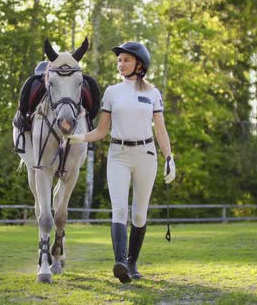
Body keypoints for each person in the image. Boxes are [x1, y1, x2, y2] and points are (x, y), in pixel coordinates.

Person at [67, 41, 176, 283]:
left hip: (146, 155)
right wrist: (77, 138)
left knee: (139, 214)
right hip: (118, 154)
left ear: (140, 64)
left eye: (126, 59)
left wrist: (169, 157)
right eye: (119, 60)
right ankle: (120, 261)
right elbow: (101, 131)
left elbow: (160, 130)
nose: (121, 64)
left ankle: (132, 262)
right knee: (118, 208)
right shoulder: (111, 92)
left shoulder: (153, 93)